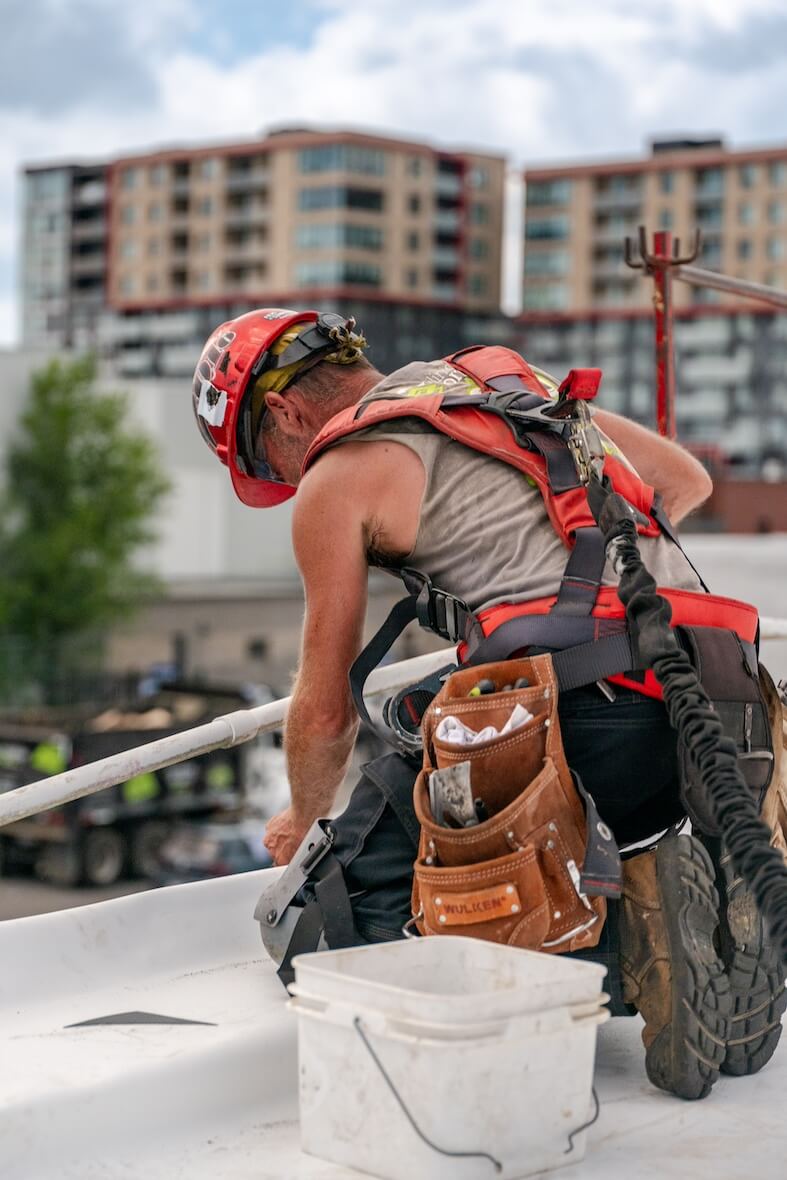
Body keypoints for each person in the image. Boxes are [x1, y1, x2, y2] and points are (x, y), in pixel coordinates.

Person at [192, 307, 785, 1100]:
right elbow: (686, 480)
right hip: (718, 704)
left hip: (575, 718)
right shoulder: (504, 384)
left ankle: (639, 940)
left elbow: (325, 709)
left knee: (320, 922)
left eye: (271, 461)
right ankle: (699, 904)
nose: (289, 480)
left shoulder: (340, 474)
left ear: (286, 413)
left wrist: (302, 821)